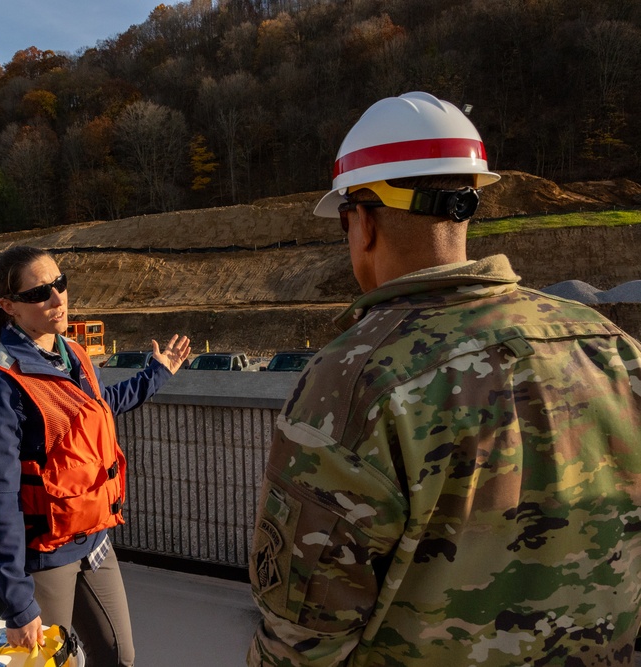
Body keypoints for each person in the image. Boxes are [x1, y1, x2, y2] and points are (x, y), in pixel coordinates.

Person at [248, 91, 641, 666]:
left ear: (360, 222)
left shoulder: (353, 382)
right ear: (467, 205)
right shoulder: (611, 347)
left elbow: (301, 643)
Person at [0, 245, 190, 667]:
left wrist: (155, 374)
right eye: (40, 293)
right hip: (45, 554)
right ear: (9, 306)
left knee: (118, 655)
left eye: (60, 284)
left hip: (94, 537)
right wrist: (17, 602)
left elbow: (97, 408)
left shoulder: (73, 354)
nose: (57, 298)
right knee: (48, 662)